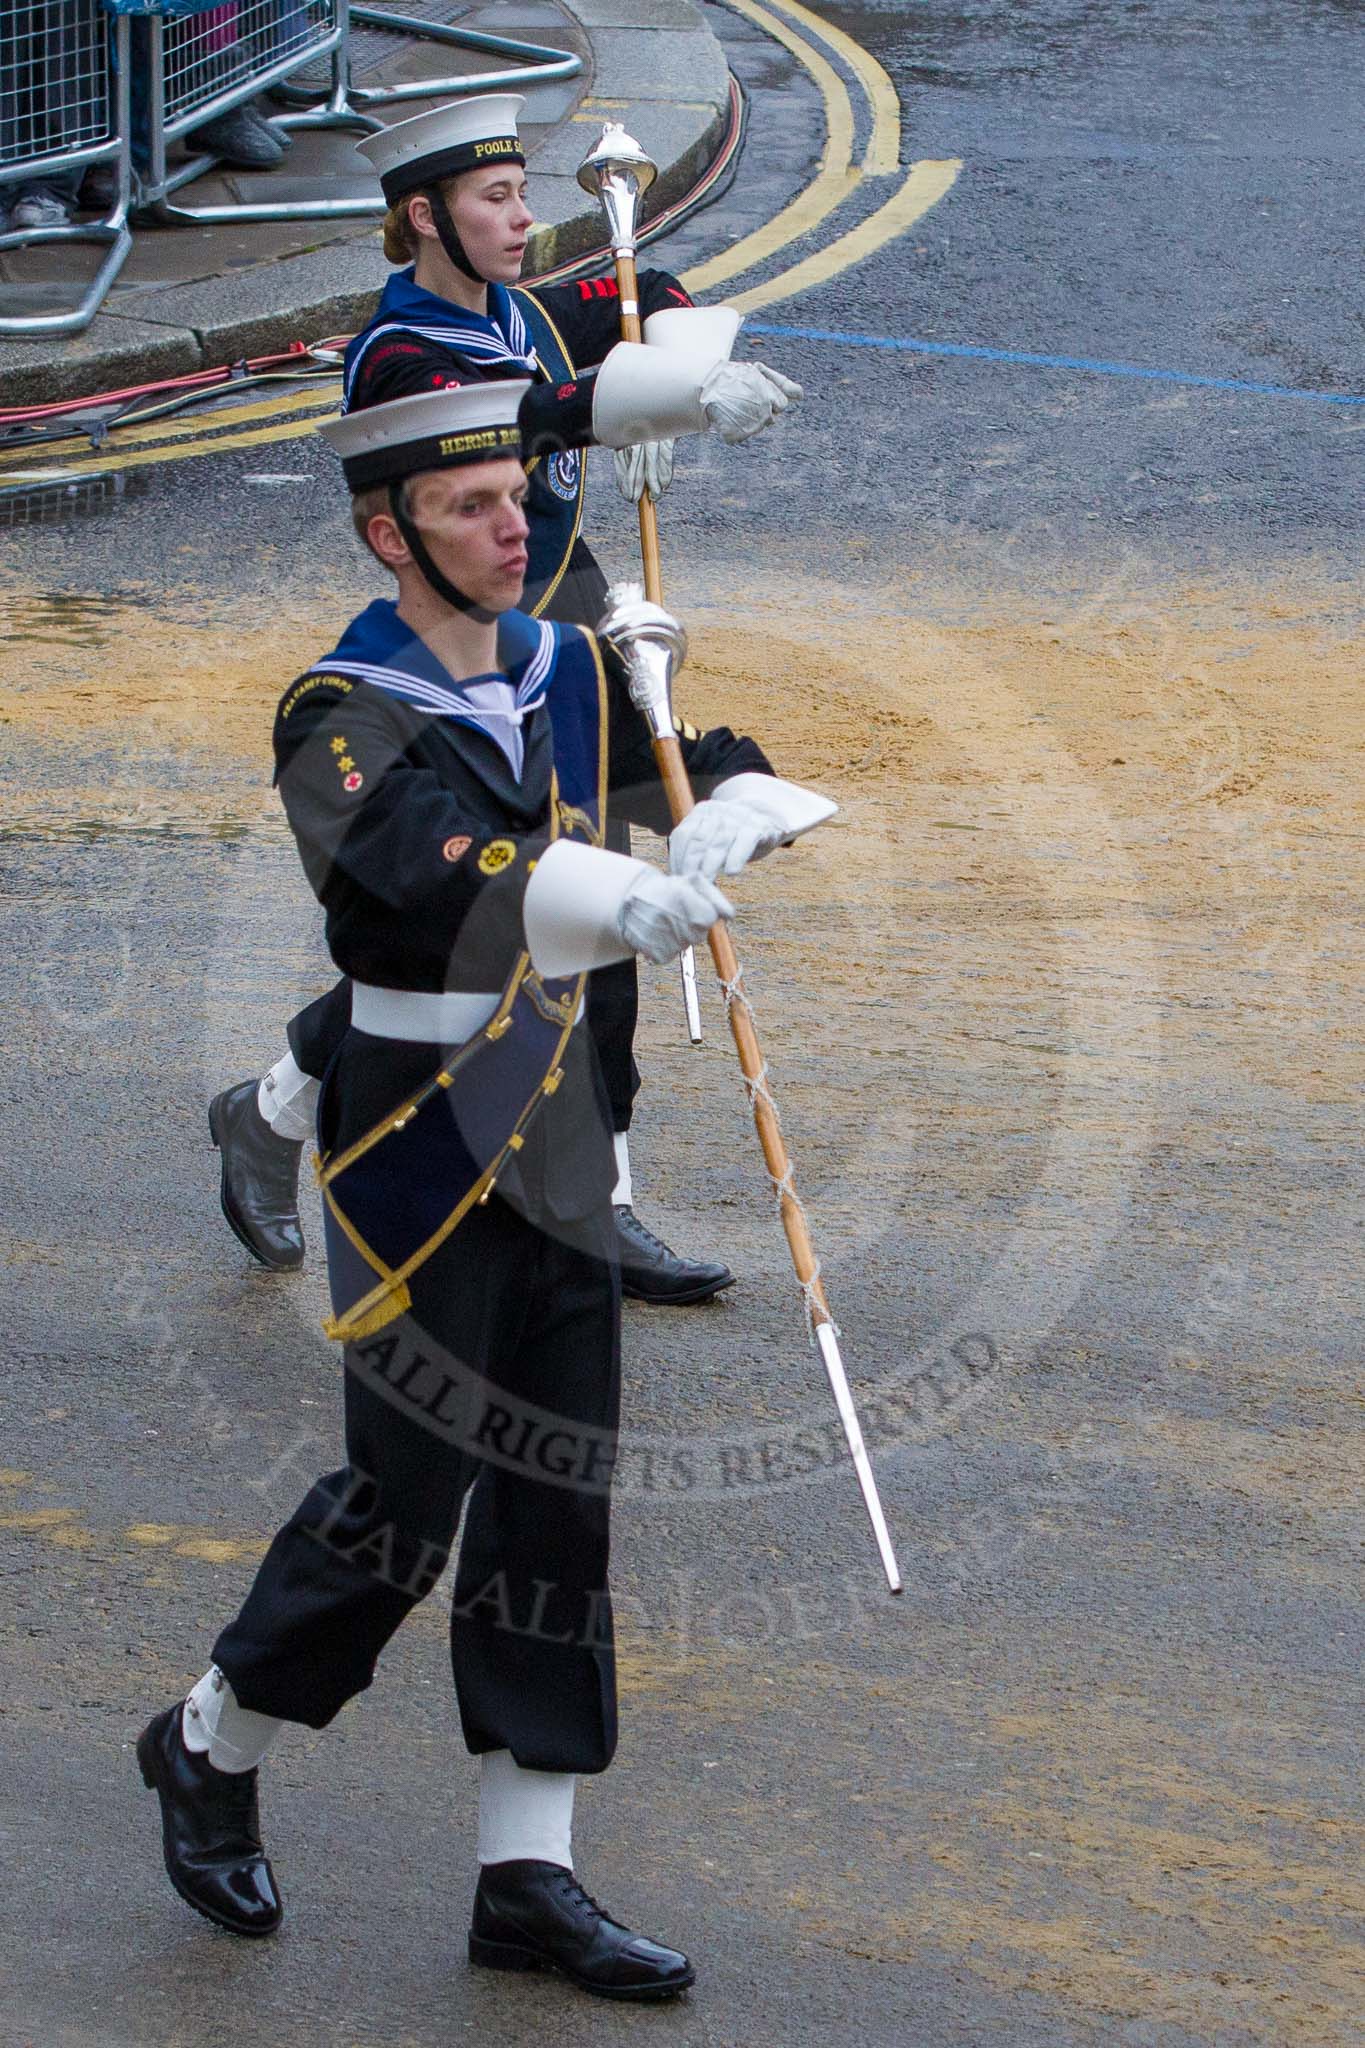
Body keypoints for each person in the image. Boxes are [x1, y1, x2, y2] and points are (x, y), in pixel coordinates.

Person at [139, 379, 834, 1996]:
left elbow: (684, 766)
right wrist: (605, 889)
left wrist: (731, 808)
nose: (515, 524)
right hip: (417, 1142)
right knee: (405, 1504)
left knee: (557, 1495)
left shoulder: (568, 667)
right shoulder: (337, 712)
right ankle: (209, 1735)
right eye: (469, 507)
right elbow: (430, 872)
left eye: (517, 494)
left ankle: (528, 1872)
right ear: (389, 534)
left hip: (559, 1130)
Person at [208, 89, 801, 1306]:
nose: (525, 218)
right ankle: (586, 1193)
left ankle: (284, 1113)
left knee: (602, 874)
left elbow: (647, 285)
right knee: (492, 922)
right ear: (426, 217)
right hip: (464, 647)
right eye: (495, 198)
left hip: (568, 623)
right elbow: (519, 417)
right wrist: (652, 402)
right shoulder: (400, 354)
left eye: (527, 194)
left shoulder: (520, 308)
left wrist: (679, 360)